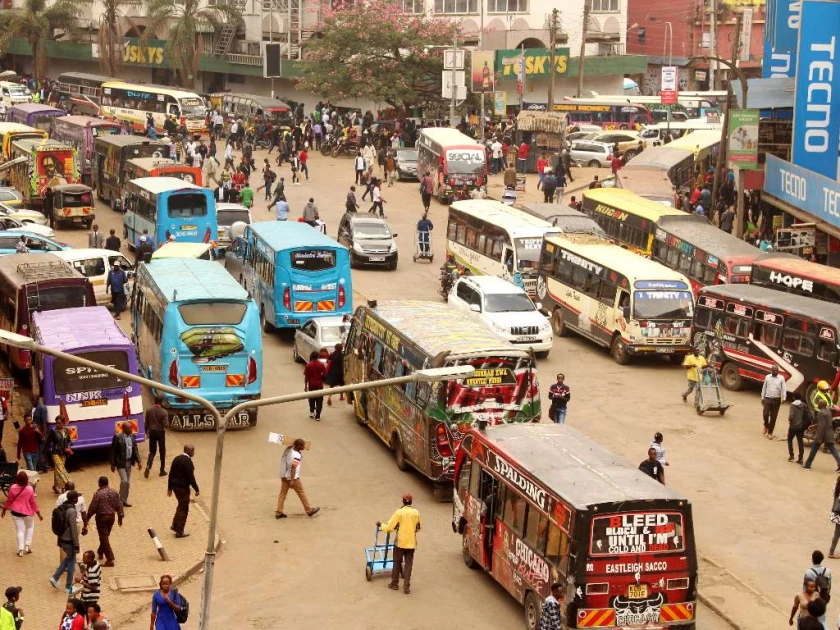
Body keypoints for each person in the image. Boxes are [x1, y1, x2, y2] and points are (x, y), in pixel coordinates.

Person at [377, 493, 421, 594]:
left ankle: (394, 584)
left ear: (403, 501)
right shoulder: (416, 512)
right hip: (411, 543)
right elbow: (418, 528)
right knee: (408, 565)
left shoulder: (399, 512)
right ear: (411, 502)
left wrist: (381, 525)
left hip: (400, 542)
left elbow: (389, 528)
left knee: (397, 562)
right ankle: (406, 587)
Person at [1, 470, 43, 557]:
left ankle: (20, 549)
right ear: (26, 480)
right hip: (28, 513)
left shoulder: (12, 488)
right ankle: (27, 546)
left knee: (20, 530)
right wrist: (38, 513)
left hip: (15, 512)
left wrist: (4, 509)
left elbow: (9, 501)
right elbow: (33, 503)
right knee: (30, 527)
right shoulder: (30, 489)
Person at [276, 438, 320, 519]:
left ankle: (279, 512)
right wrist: (292, 480)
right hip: (293, 478)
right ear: (299, 446)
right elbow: (293, 467)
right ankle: (309, 510)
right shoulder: (296, 456)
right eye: (303, 445)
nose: (304, 446)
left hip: (284, 476)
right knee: (301, 493)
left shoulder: (289, 449)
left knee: (282, 495)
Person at [51, 491, 80, 594]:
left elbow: (60, 526)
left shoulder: (63, 507)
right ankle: (69, 587)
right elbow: (73, 529)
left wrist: (59, 540)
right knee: (71, 563)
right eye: (77, 497)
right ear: (74, 499)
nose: (78, 499)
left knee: (68, 559)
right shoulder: (71, 511)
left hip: (62, 539)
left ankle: (55, 577)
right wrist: (76, 545)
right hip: (69, 541)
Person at [168, 445, 199, 538]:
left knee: (181, 505)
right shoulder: (188, 462)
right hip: (183, 488)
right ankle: (179, 531)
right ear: (189, 451)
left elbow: (171, 473)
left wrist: (169, 488)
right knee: (184, 509)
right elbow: (191, 477)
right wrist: (196, 489)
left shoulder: (176, 459)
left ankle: (175, 525)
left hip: (175, 487)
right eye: (193, 451)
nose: (194, 453)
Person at [803, 398, 840, 470]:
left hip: (823, 435)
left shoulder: (821, 413)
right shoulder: (828, 412)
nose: (818, 405)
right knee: (833, 451)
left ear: (821, 405)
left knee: (813, 450)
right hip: (829, 434)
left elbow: (822, 427)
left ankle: (807, 465)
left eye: (819, 404)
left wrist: (819, 438)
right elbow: (826, 423)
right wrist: (815, 426)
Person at [110, 422, 141, 507]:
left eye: (131, 428)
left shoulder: (132, 437)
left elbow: (135, 450)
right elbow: (113, 451)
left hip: (129, 462)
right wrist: (112, 464)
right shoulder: (117, 437)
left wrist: (139, 461)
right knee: (124, 480)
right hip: (120, 463)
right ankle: (120, 500)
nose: (131, 430)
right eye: (129, 428)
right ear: (123, 429)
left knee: (127, 483)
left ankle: (124, 500)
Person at [46, 416, 73, 494]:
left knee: (57, 471)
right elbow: (48, 442)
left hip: (64, 454)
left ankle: (55, 486)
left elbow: (69, 441)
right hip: (55, 453)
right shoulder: (53, 431)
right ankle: (66, 485)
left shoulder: (66, 431)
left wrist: (68, 448)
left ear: (63, 423)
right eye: (56, 423)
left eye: (59, 423)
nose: (57, 424)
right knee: (61, 470)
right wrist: (47, 453)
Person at [144, 396, 169, 478]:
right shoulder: (164, 412)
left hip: (152, 432)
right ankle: (162, 470)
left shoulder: (149, 410)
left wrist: (146, 432)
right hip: (160, 432)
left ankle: (148, 466)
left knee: (152, 452)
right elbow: (166, 425)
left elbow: (146, 423)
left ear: (154, 401)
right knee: (162, 451)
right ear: (161, 402)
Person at [761, 365, 787, 438]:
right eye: (774, 370)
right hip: (767, 398)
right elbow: (764, 388)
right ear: (771, 371)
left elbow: (784, 388)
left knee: (773, 417)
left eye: (776, 371)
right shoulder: (767, 377)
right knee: (765, 414)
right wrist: (762, 397)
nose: (775, 372)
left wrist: (784, 397)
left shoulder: (781, 378)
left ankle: (770, 433)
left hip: (776, 400)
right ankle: (766, 425)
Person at [303, 351, 327, 421]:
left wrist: (305, 386)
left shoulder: (308, 365)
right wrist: (321, 377)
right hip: (319, 385)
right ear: (317, 357)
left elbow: (306, 377)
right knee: (319, 400)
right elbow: (325, 374)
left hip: (311, 385)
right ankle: (318, 415)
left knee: (311, 399)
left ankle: (312, 412)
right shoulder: (321, 364)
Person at [788, 392, 809, 464]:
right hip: (801, 427)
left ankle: (791, 456)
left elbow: (791, 416)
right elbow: (807, 416)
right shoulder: (804, 405)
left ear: (794, 397)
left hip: (793, 426)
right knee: (800, 442)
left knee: (790, 439)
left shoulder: (792, 405)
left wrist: (790, 421)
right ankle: (800, 458)